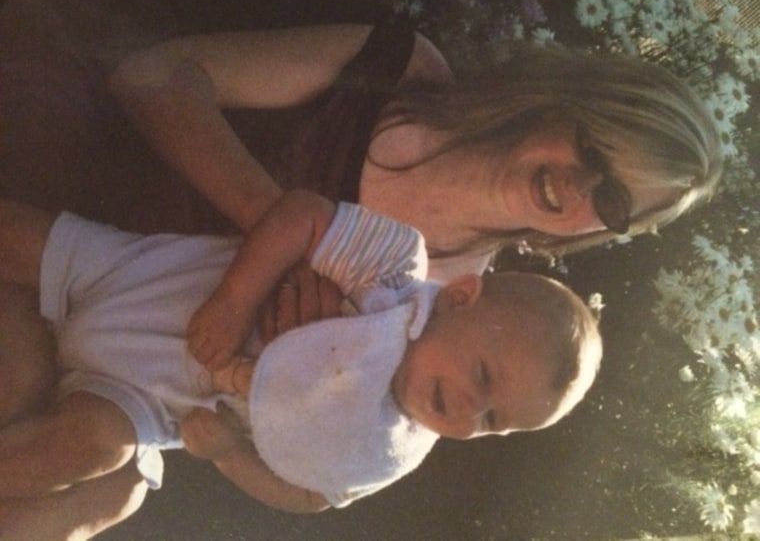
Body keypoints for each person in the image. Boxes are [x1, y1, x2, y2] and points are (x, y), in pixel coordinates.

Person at [0, 191, 602, 536]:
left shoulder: (385, 443)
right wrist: (234, 302)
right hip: (127, 276)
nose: (470, 411)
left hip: (137, 400)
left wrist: (230, 452)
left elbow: (312, 495)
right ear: (460, 297)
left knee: (91, 451)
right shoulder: (392, 271)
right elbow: (304, 216)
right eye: (484, 377)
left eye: (493, 420)